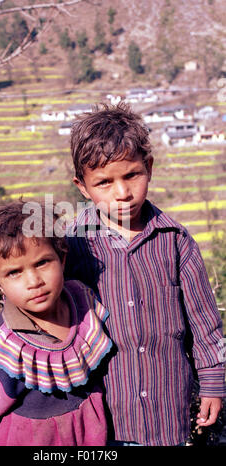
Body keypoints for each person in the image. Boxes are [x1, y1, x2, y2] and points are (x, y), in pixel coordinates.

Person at [64, 102, 226, 446]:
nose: (122, 193)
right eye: (104, 182)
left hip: (167, 413)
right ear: (83, 187)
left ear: (148, 167)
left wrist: (212, 382)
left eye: (131, 175)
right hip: (103, 415)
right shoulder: (72, 245)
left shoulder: (175, 241)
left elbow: (204, 322)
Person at [0, 201, 113, 446]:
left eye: (42, 263)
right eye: (14, 272)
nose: (34, 281)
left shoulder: (85, 306)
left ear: (62, 259)